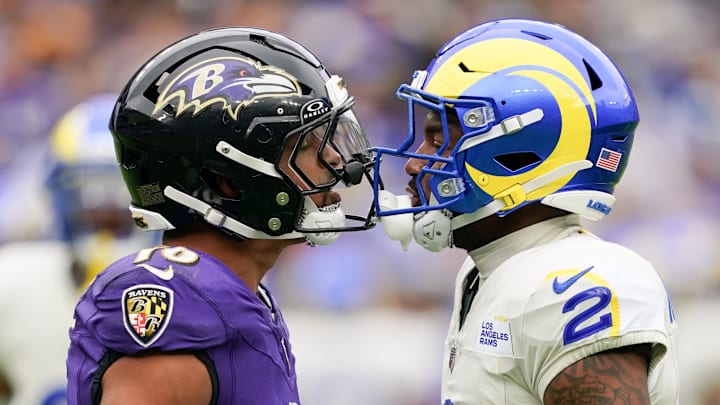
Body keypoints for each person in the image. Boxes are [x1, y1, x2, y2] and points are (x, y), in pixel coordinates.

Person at [373, 19, 679, 404]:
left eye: (438, 139)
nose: (415, 164)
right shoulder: (488, 269)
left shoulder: (578, 284)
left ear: (518, 155)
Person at [65, 27, 376, 405]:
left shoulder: (235, 292)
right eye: (305, 145)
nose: (336, 162)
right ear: (228, 180)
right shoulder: (177, 296)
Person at [0, 93, 153, 405]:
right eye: (90, 194)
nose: (107, 211)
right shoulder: (14, 283)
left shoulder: (202, 292)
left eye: (122, 192)